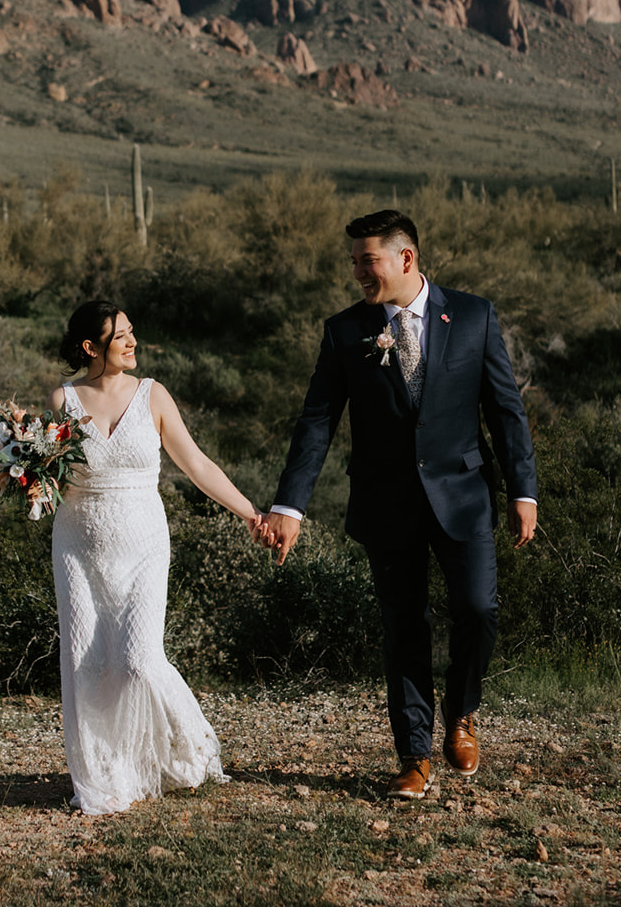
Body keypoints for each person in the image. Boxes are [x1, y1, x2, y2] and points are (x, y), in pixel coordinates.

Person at [263, 209, 537, 801]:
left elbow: (505, 411)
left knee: (478, 608)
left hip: (464, 496)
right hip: (387, 502)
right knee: (403, 629)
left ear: (404, 259)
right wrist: (290, 506)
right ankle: (414, 756)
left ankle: (462, 713)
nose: (358, 272)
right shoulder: (344, 332)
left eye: (369, 260)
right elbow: (316, 423)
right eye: (354, 261)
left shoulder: (473, 316)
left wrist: (523, 490)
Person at [48, 300, 265, 816]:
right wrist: (15, 474)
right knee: (88, 661)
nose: (132, 342)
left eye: (131, 332)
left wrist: (250, 513)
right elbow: (50, 477)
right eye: (120, 336)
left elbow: (197, 464)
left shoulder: (153, 395)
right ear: (90, 347)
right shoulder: (63, 400)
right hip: (79, 546)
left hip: (144, 542)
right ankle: (108, 775)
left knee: (137, 661)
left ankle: (185, 747)